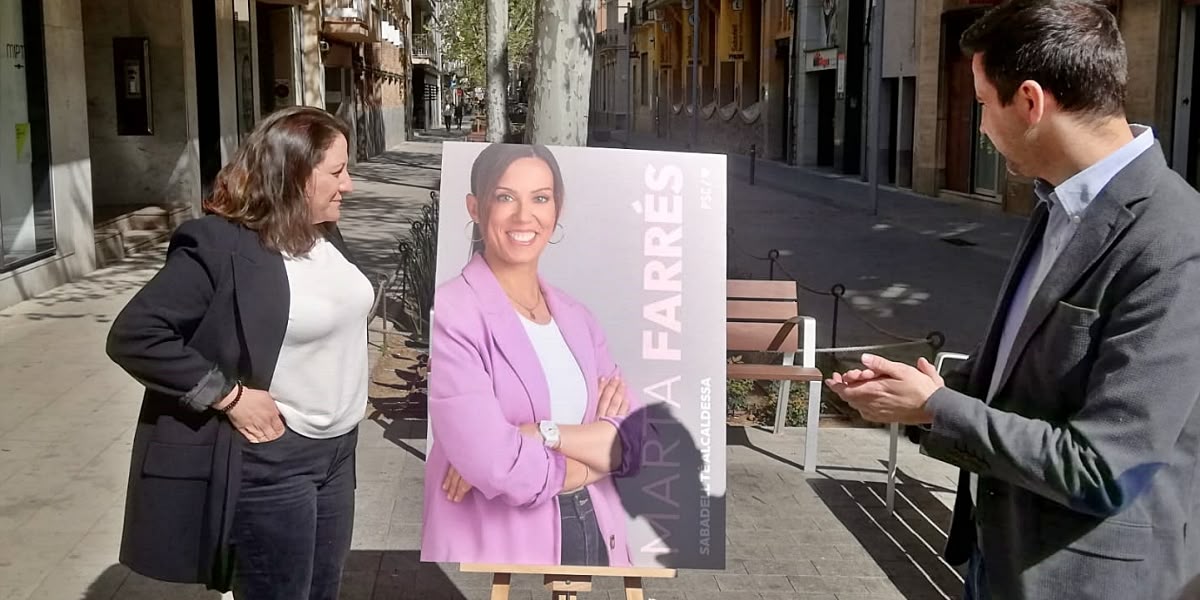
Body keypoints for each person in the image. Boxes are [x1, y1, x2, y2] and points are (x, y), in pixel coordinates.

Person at [825, 2, 1200, 599]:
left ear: (1030, 101)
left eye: (981, 104)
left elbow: (1105, 467)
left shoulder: (1175, 239)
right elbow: (1032, 384)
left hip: (1085, 580)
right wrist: (922, 394)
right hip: (997, 559)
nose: (978, 127)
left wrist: (937, 409)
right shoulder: (1058, 203)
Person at [106, 106, 373, 600]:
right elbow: (136, 334)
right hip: (274, 459)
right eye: (336, 172)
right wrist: (228, 396)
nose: (349, 185)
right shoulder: (220, 244)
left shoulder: (324, 233)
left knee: (322, 592)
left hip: (338, 453)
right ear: (292, 176)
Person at [420, 143, 644, 567]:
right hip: (498, 546)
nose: (525, 216)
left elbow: (634, 441)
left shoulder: (577, 318)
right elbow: (495, 461)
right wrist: (590, 464)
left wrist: (539, 432)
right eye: (505, 197)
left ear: (557, 208)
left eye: (540, 198)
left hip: (593, 526)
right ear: (474, 207)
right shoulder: (454, 312)